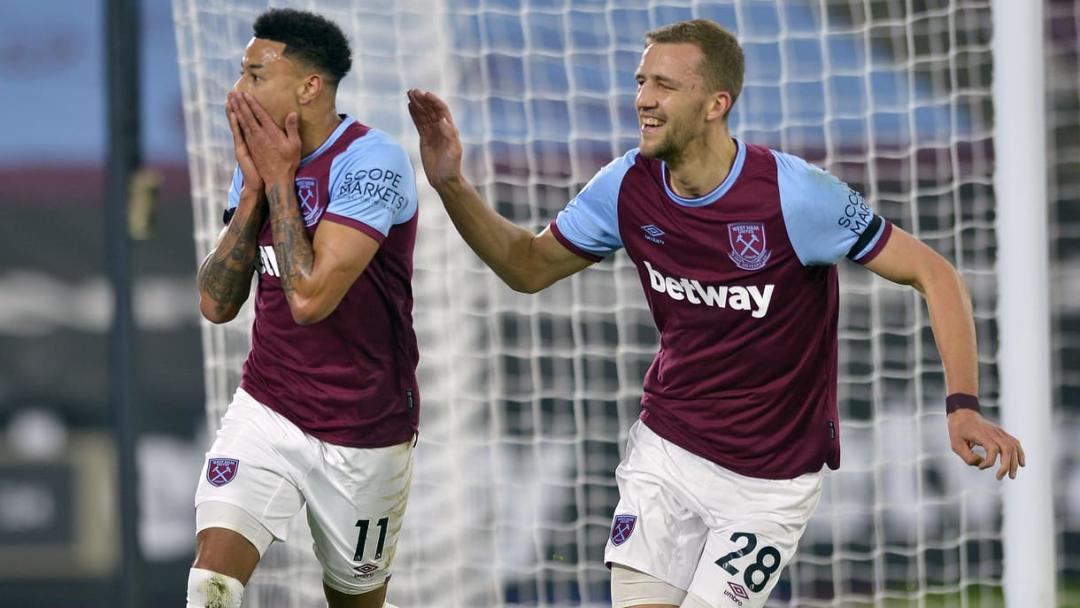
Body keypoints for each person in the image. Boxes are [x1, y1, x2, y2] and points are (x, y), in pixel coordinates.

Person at [407, 18, 1024, 608]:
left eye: (665, 86)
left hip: (771, 482)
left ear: (716, 104)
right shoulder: (626, 185)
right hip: (669, 452)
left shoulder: (795, 196)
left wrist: (962, 405)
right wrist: (452, 186)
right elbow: (528, 267)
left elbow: (934, 273)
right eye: (641, 83)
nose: (644, 100)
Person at [190, 8, 418, 608]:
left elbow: (311, 299)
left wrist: (280, 181)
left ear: (309, 86)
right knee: (210, 585)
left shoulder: (374, 160)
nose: (239, 92)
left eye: (255, 75)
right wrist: (256, 192)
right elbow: (216, 305)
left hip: (363, 430)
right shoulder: (262, 164)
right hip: (268, 406)